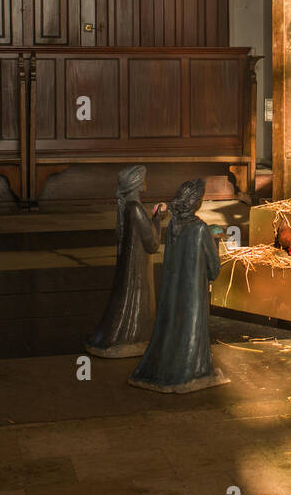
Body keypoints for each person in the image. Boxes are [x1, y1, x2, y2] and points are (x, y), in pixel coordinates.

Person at [128, 178, 227, 393]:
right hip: (193, 296)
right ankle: (190, 372)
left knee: (170, 326)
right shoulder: (200, 228)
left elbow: (174, 211)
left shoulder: (175, 224)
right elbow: (213, 270)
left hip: (172, 294)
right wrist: (215, 240)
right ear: (196, 203)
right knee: (189, 332)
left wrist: (166, 207)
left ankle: (163, 369)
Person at [85, 165, 165, 358]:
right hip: (137, 269)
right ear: (137, 183)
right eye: (143, 179)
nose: (145, 182)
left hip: (133, 264)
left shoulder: (128, 207)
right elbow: (152, 243)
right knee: (135, 302)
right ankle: (132, 338)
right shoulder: (135, 208)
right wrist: (158, 217)